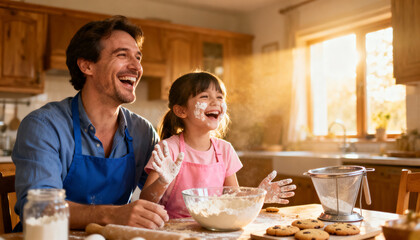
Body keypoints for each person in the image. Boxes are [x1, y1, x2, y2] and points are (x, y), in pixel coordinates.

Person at [12, 15, 168, 231]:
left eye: (138, 58)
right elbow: (39, 210)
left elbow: (163, 197)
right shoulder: (44, 126)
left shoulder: (143, 132)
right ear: (87, 66)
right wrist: (113, 214)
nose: (136, 67)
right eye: (122, 55)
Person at [140, 71, 296, 219]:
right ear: (181, 110)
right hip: (172, 230)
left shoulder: (224, 149)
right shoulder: (168, 149)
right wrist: (162, 182)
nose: (216, 102)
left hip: (213, 230)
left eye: (220, 97)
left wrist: (259, 195)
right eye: (205, 96)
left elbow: (233, 198)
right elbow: (145, 202)